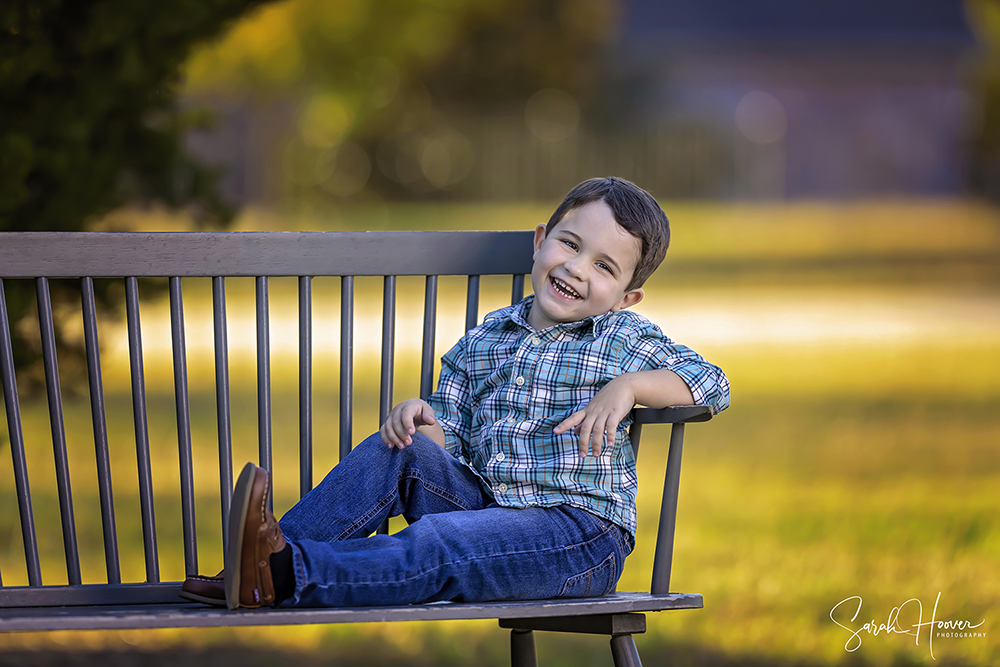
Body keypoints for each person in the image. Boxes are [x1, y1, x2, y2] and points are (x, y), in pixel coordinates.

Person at [179, 176, 730, 610]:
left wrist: (630, 386)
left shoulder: (622, 336)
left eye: (604, 266)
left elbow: (712, 382)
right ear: (541, 242)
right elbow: (450, 448)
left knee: (444, 539)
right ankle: (252, 566)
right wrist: (423, 424)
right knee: (399, 450)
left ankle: (285, 572)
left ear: (627, 297)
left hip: (575, 536)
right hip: (488, 508)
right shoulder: (486, 339)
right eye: (570, 243)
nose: (577, 268)